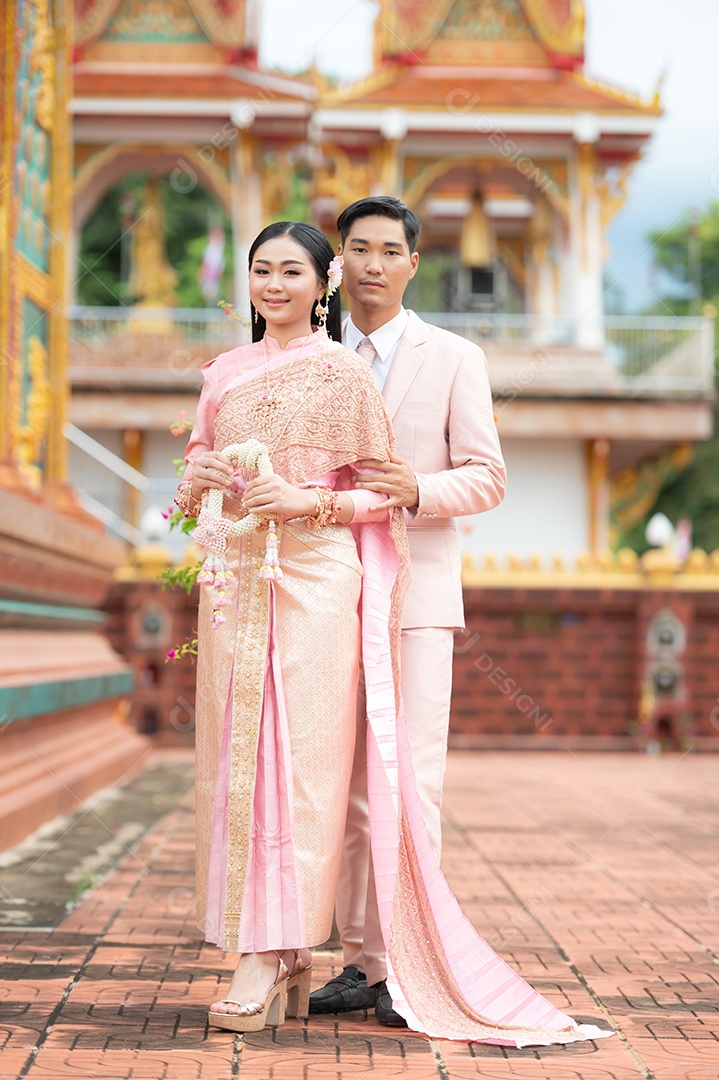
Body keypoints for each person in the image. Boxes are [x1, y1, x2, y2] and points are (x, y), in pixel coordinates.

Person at [178, 219, 611, 1048]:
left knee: (403, 782)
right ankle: (341, 956)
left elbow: (479, 477)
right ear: (340, 263)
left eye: (388, 251)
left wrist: (404, 489)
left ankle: (396, 964)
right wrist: (203, 479)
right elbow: (202, 462)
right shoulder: (239, 368)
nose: (371, 264)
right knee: (320, 782)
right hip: (262, 582)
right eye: (358, 248)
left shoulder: (440, 358)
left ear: (403, 263)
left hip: (388, 588)